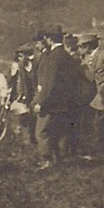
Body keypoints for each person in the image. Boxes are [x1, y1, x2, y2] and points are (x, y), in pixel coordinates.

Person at [31, 25, 81, 169]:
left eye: (46, 37)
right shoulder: (65, 55)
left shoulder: (54, 57)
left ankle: (47, 160)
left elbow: (49, 83)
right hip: (63, 103)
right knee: (53, 132)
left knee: (41, 132)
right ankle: (56, 159)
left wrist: (40, 102)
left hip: (51, 103)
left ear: (50, 39)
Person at [78, 32, 104, 161]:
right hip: (99, 95)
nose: (79, 49)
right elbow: (92, 77)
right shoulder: (92, 57)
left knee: (101, 124)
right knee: (97, 125)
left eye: (81, 47)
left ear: (88, 46)